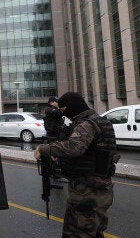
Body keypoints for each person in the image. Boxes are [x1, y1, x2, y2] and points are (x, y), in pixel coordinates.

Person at [34, 92, 118, 237]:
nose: (63, 114)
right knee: (95, 232)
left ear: (71, 107)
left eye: (63, 110)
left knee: (77, 233)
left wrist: (45, 149)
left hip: (87, 190)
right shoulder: (101, 121)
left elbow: (74, 147)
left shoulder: (86, 124)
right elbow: (92, 152)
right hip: (101, 187)